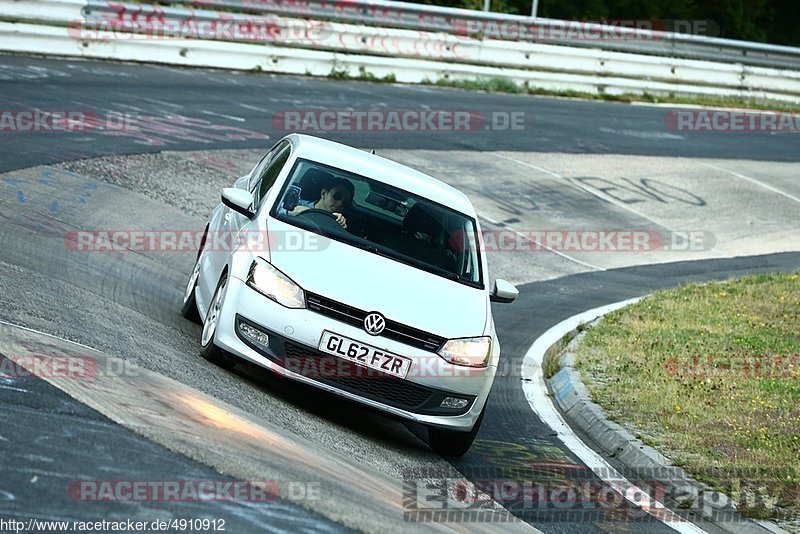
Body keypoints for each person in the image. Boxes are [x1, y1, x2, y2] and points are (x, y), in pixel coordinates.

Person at [288, 177, 354, 229]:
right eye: (337, 196)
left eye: (345, 202)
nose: (340, 203)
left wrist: (339, 226)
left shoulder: (337, 221)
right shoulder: (296, 204)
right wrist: (289, 212)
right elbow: (279, 210)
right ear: (323, 193)